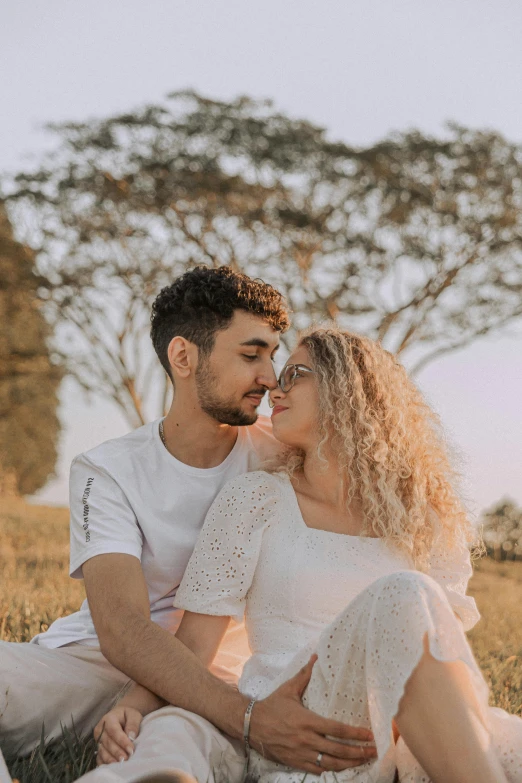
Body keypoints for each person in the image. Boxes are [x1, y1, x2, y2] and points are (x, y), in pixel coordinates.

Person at [90, 326, 522, 783]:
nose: (275, 387)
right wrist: (132, 706)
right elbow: (195, 645)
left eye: (295, 373)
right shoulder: (255, 500)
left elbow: (439, 660)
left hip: (402, 737)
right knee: (404, 592)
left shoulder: (424, 520)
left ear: (347, 390)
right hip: (300, 724)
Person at [0, 268, 373, 778]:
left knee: (174, 753)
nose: (269, 377)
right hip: (94, 666)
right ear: (183, 357)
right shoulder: (107, 469)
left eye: (272, 356)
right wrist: (252, 722)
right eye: (250, 355)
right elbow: (124, 629)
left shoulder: (284, 453)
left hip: (223, 677)